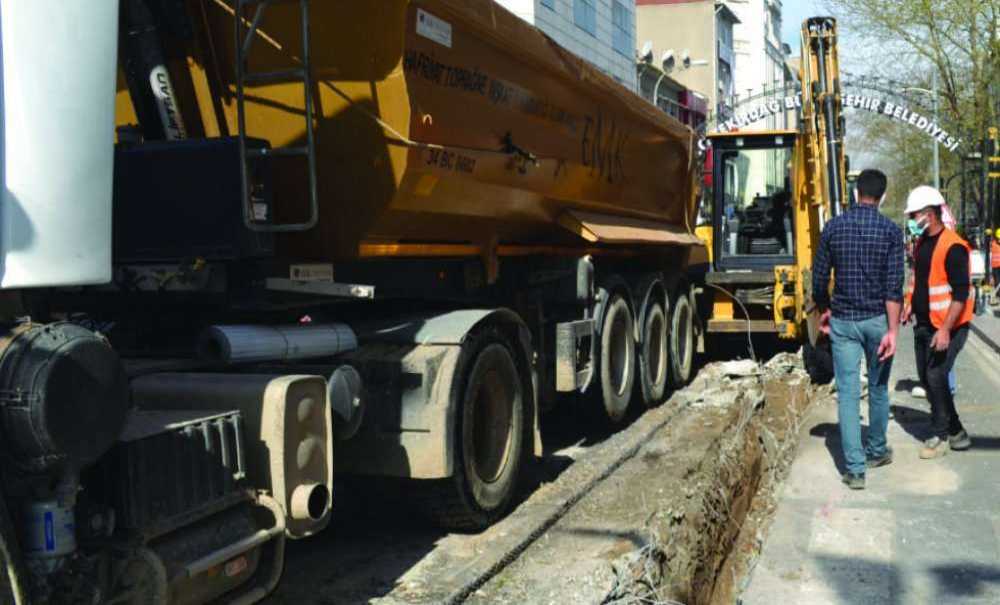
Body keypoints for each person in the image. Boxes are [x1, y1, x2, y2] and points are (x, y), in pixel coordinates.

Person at [813, 169, 904, 490]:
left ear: (855, 193)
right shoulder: (892, 232)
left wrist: (825, 310)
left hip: (844, 321)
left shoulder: (834, 228)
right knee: (878, 388)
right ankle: (876, 450)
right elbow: (894, 287)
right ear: (883, 197)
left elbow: (819, 278)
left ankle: (854, 470)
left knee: (848, 394)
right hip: (878, 320)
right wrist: (893, 331)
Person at [901, 185, 974, 458]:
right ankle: (957, 432)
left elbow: (961, 294)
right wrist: (909, 305)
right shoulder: (922, 243)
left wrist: (944, 330)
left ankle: (941, 436)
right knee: (927, 376)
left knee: (935, 375)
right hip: (924, 323)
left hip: (949, 327)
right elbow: (918, 280)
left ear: (929, 214)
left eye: (914, 214)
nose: (911, 219)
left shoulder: (953, 246)